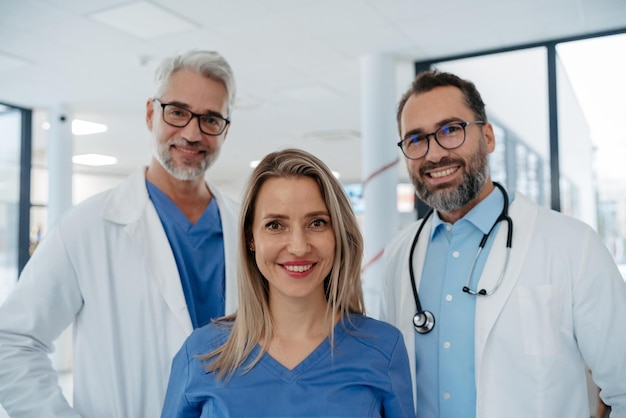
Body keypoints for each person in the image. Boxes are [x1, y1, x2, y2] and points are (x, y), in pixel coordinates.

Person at [0, 50, 240, 417]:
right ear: (150, 114)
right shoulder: (87, 226)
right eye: (177, 112)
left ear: (225, 130)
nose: (192, 133)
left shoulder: (248, 226)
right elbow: (13, 340)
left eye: (210, 119)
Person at [380, 70, 626, 418]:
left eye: (450, 130)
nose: (433, 154)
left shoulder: (573, 245)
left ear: (488, 137)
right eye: (416, 139)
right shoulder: (399, 255)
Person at [161, 148, 416, 417]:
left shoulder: (382, 349)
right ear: (251, 238)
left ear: (338, 234)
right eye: (275, 225)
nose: (298, 246)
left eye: (317, 223)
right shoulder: (202, 354)